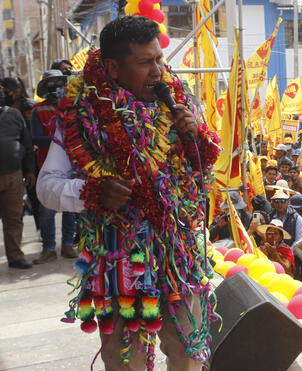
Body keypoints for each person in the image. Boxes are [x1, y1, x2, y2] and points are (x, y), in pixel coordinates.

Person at [36, 16, 221, 368]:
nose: (158, 71)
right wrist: (92, 191)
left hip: (179, 258)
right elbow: (46, 188)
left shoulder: (180, 101)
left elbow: (206, 167)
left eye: (159, 59)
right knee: (126, 361)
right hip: (119, 260)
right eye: (145, 62)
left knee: (189, 353)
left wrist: (195, 135)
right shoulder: (79, 113)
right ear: (113, 67)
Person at [31, 70, 79, 264]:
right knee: (47, 210)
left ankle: (68, 244)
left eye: (58, 82)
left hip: (73, 164)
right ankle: (49, 248)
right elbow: (35, 138)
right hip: (47, 167)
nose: (55, 87)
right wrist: (60, 140)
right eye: (51, 83)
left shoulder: (72, 108)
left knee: (70, 208)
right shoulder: (38, 110)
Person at [0, 87, 36, 269]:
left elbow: (26, 143)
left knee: (14, 218)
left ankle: (15, 257)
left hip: (13, 175)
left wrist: (29, 171)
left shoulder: (14, 114)